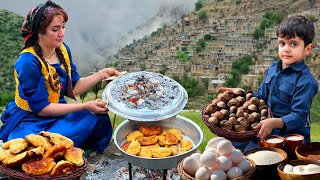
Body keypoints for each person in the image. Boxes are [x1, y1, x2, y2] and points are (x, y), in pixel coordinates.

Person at [0, 0, 120, 153]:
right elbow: (42, 109)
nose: (62, 33)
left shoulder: (61, 49)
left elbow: (73, 87)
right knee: (31, 146)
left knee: (95, 116)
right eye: (55, 29)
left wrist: (101, 74)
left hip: (57, 111)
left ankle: (62, 148)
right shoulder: (28, 62)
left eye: (63, 27)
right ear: (39, 32)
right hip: (31, 117)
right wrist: (85, 105)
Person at [217, 15, 319, 152]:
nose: (286, 49)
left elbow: (299, 117)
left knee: (249, 159)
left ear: (307, 49)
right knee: (227, 147)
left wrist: (274, 122)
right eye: (282, 43)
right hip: (264, 128)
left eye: (293, 44)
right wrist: (241, 94)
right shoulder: (273, 69)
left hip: (288, 139)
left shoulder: (306, 81)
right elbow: (260, 96)